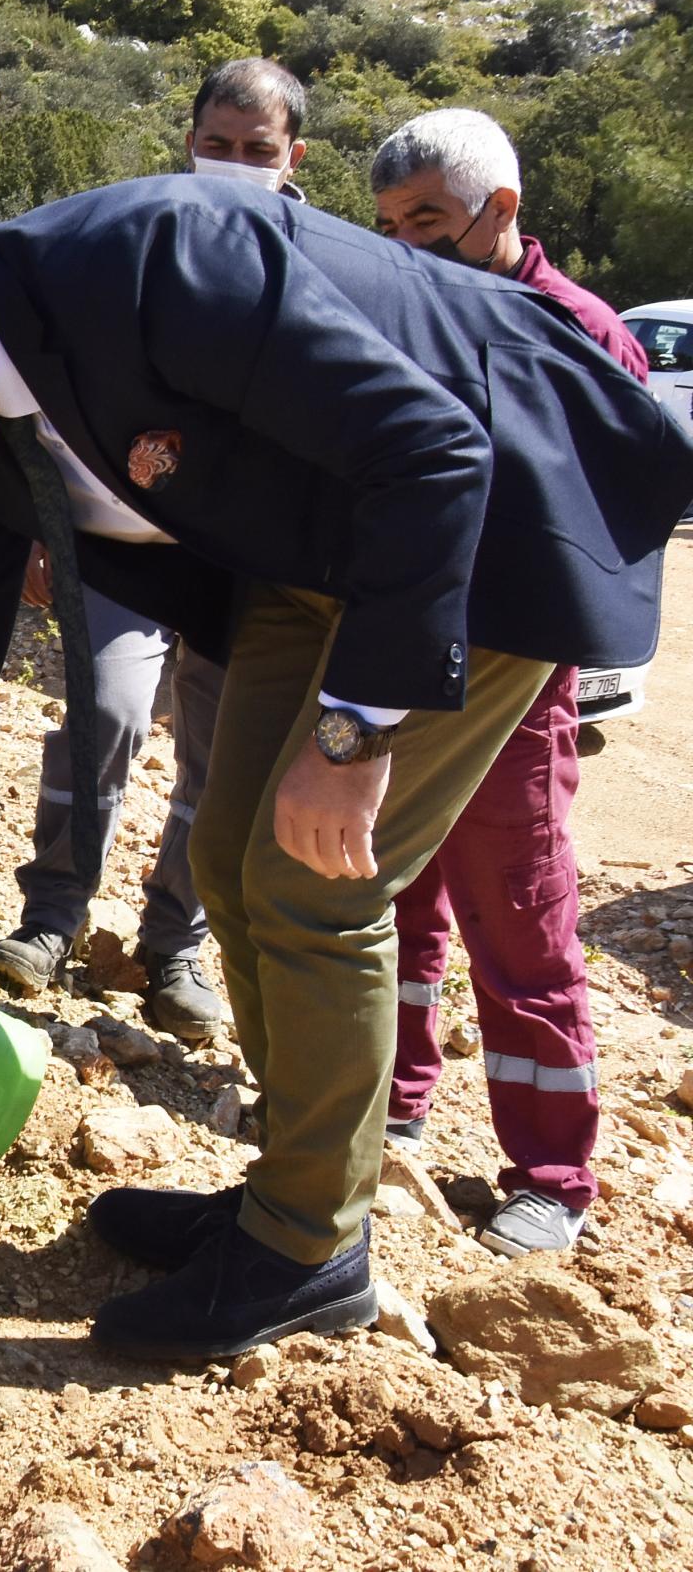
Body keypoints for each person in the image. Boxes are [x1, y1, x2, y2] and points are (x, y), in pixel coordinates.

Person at [0, 179, 690, 1359]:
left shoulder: (153, 263)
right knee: (230, 869)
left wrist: (347, 741)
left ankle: (306, 1250)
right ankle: (291, 1187)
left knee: (316, 884)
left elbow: (433, 449)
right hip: (311, 554)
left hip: (485, 521)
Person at [0, 58, 310, 1043]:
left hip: (237, 561)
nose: (234, 164)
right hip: (113, 546)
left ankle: (176, 943)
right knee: (103, 715)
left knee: (219, 760)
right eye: (218, 145)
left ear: (293, 158)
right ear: (189, 140)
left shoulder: (316, 262)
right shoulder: (144, 238)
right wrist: (47, 520)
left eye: (257, 151)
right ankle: (49, 917)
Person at [370, 108, 649, 1256]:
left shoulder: (581, 333)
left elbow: (605, 519)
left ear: (502, 211)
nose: (408, 246)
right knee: (393, 905)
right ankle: (391, 1101)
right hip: (400, 662)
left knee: (519, 920)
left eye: (428, 221)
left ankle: (550, 1172)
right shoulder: (398, 308)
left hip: (514, 680)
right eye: (389, 226)